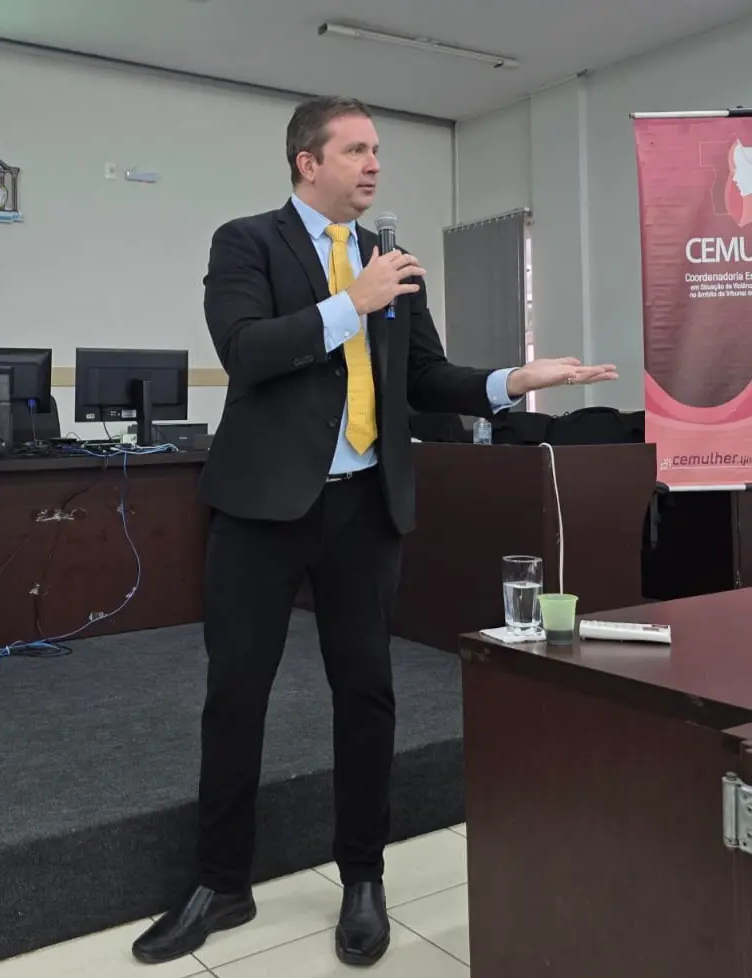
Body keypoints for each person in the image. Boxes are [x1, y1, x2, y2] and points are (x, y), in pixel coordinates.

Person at [132, 95, 617, 969]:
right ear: (306, 161)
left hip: (364, 509)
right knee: (236, 694)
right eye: (356, 149)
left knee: (366, 694)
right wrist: (348, 303)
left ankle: (364, 877)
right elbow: (245, 350)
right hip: (261, 509)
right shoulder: (247, 242)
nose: (374, 165)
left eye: (378, 150)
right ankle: (221, 881)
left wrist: (513, 380)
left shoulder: (392, 265)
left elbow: (426, 378)